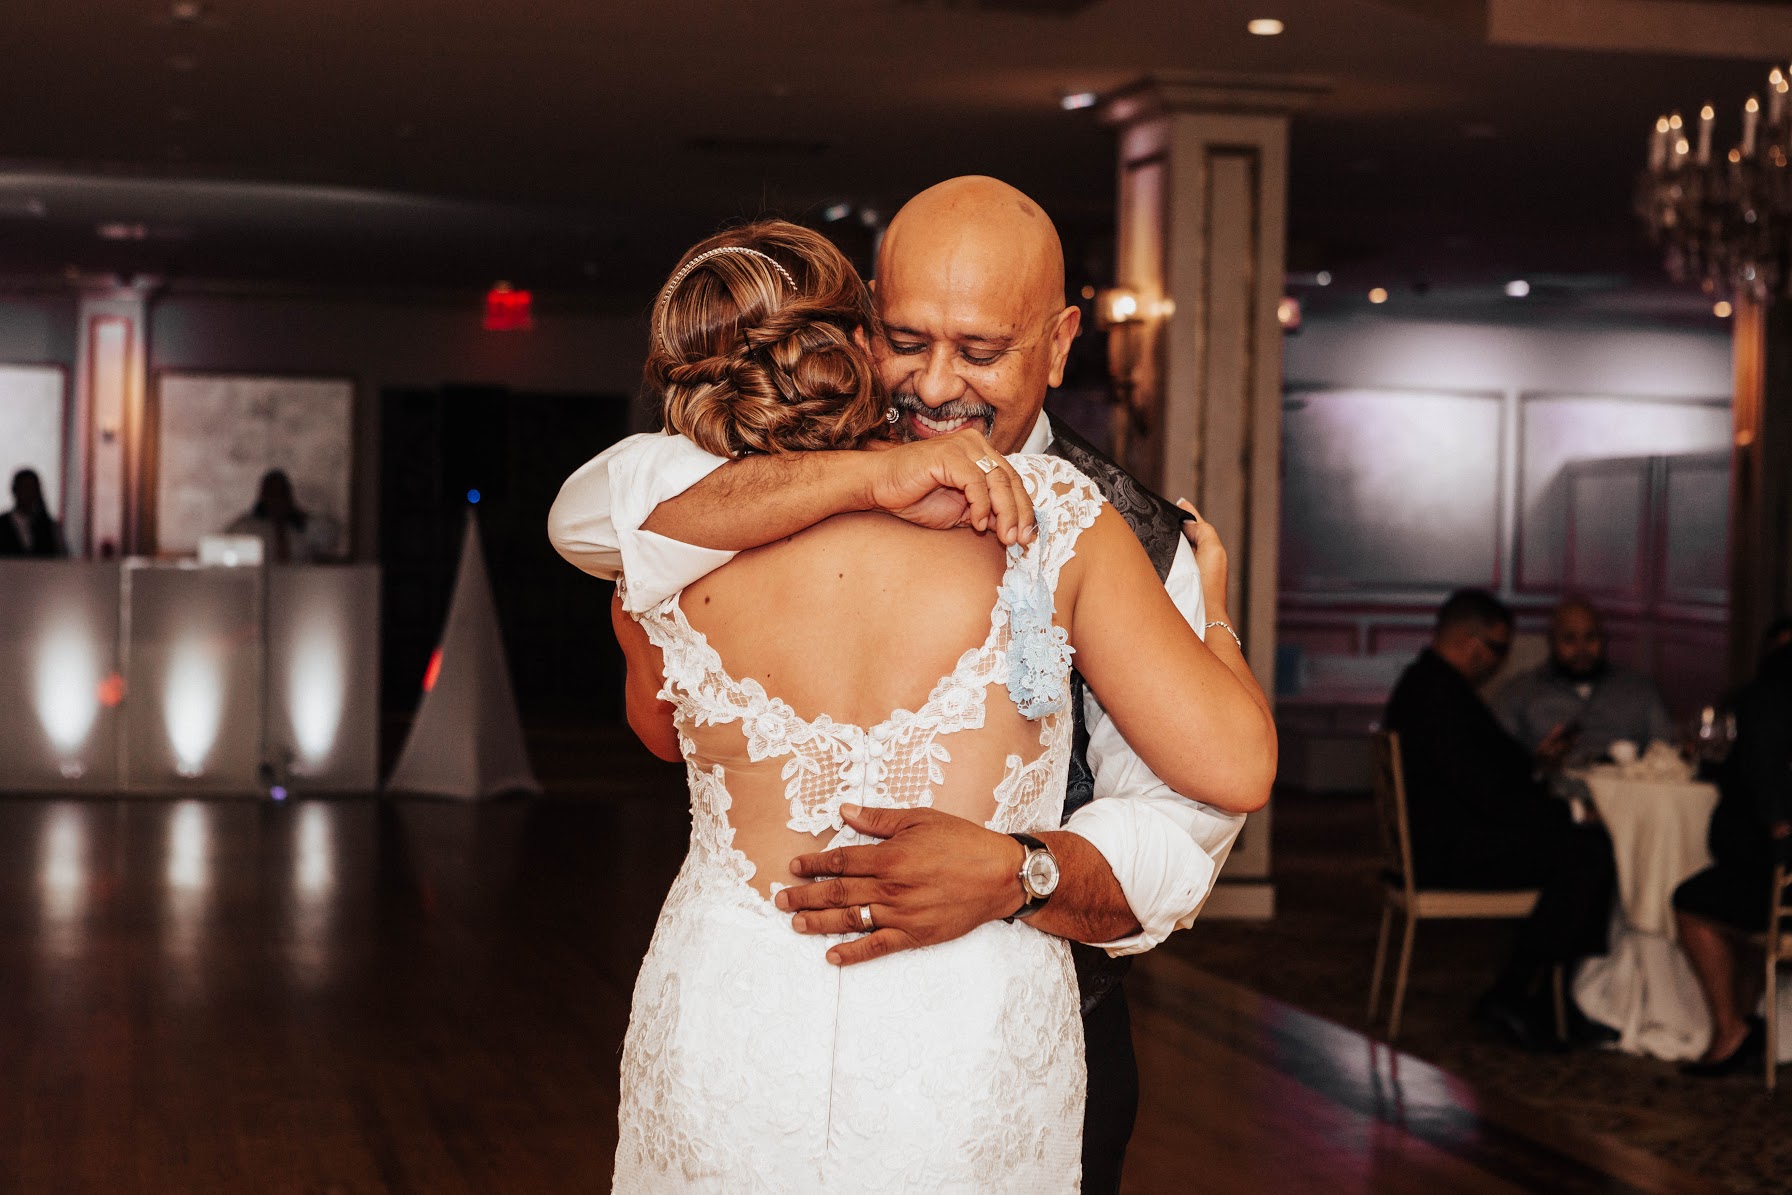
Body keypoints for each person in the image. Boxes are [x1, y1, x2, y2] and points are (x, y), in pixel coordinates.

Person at [550, 176, 1246, 1191]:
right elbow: (588, 512)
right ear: (863, 319)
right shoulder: (721, 489)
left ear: (1058, 343)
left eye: (978, 351)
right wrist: (862, 478)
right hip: (753, 1026)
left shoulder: (1126, 529)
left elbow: (1194, 817)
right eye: (907, 339)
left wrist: (1023, 870)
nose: (932, 385)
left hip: (981, 1028)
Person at [1383, 588, 1618, 1051]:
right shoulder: (1440, 696)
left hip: (1447, 838)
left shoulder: (1431, 685)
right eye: (1498, 649)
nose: (1498, 662)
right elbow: (1483, 792)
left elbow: (1487, 771)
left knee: (1582, 849)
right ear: (1472, 642)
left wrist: (1535, 764)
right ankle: (1520, 995)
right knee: (1587, 855)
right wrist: (1569, 810)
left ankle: (1547, 998)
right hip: (1449, 851)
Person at [1672, 617, 1792, 1077]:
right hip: (1773, 877)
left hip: (1780, 883)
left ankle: (1730, 1030)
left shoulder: (1759, 704)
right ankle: (1749, 1021)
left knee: (1693, 901)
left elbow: (1759, 798)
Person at [1492, 596, 1674, 768]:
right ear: (1552, 642)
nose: (1582, 649)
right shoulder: (1518, 692)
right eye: (1569, 639)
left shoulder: (1638, 690)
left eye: (1591, 638)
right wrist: (1537, 761)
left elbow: (1668, 752)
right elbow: (1496, 760)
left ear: (1604, 640)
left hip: (1626, 794)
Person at [224, 469, 336, 563]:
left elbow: (330, 539)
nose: (277, 500)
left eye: (281, 494)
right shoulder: (246, 527)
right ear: (263, 497)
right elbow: (222, 551)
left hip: (301, 583)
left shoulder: (303, 526)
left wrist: (302, 518)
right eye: (272, 494)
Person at [0, 468, 67, 557]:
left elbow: (61, 557)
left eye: (33, 489)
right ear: (15, 490)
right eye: (25, 488)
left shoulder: (50, 526)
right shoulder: (2, 524)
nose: (28, 493)